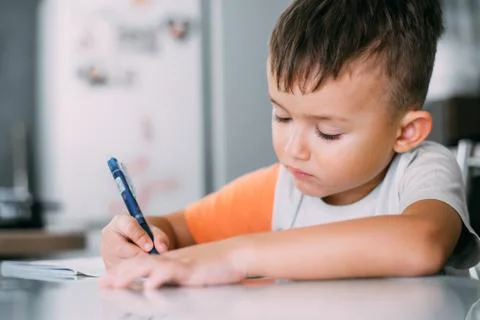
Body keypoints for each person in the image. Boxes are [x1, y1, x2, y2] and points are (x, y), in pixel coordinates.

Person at [100, 0, 480, 289]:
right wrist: (135, 237)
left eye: (328, 132)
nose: (293, 149)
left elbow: (420, 245)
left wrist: (236, 257)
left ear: (405, 133)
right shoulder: (281, 187)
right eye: (282, 117)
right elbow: (175, 230)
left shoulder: (421, 169)